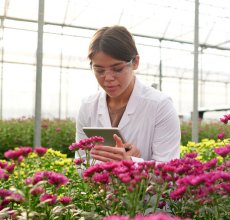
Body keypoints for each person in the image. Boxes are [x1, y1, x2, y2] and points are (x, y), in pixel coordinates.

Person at [75, 25, 181, 163]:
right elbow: (81, 163)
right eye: (99, 71)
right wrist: (121, 161)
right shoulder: (88, 106)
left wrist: (131, 163)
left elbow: (167, 170)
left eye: (117, 69)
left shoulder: (160, 106)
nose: (108, 78)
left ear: (135, 62)